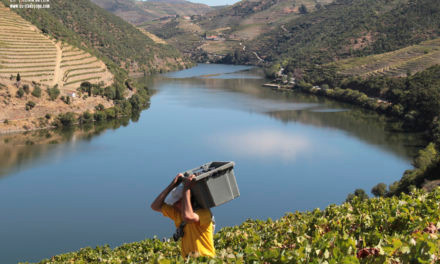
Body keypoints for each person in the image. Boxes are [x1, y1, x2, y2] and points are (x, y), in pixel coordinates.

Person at [150, 173, 216, 258]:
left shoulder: (204, 213)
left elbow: (188, 217)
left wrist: (186, 188)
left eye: (177, 202)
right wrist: (172, 185)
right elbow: (155, 206)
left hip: (205, 260)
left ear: (186, 199)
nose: (174, 205)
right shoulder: (178, 213)